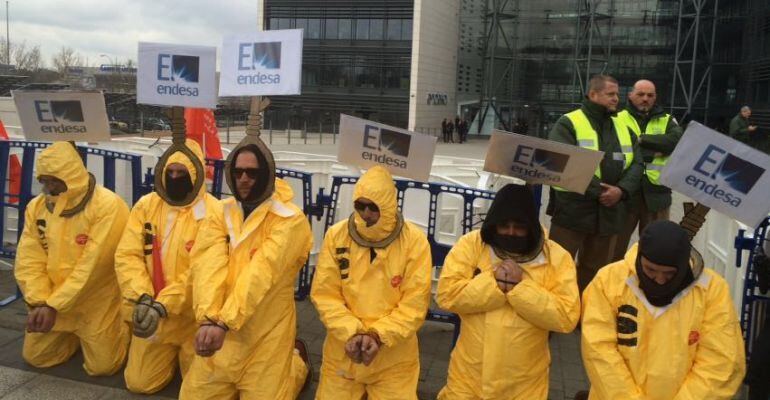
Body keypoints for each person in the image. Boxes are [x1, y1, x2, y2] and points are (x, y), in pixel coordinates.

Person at [179, 139, 312, 399]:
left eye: (252, 173)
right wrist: (209, 318)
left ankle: (296, 364)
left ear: (267, 175)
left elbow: (263, 272)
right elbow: (207, 266)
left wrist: (223, 322)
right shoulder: (220, 211)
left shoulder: (291, 219)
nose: (244, 179)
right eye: (238, 172)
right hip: (221, 330)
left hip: (266, 336)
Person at [436, 184, 580, 399]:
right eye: (504, 226)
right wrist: (493, 283)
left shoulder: (557, 257)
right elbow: (447, 296)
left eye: (519, 227)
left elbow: (566, 317)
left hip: (523, 385)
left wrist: (519, 288)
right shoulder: (471, 245)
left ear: (530, 226)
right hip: (468, 378)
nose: (511, 232)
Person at [581, 220, 746, 399]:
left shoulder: (712, 290)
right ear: (639, 257)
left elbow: (721, 362)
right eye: (650, 270)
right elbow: (599, 350)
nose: (659, 280)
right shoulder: (609, 280)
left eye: (670, 274)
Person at [310, 166, 432, 400]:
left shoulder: (415, 243)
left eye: (373, 207)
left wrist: (378, 335)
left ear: (388, 206)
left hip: (394, 360)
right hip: (344, 351)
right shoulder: (336, 236)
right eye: (360, 205)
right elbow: (325, 294)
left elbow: (414, 305)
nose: (366, 213)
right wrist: (352, 332)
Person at [14, 141, 130, 375]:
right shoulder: (37, 207)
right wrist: (38, 301)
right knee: (36, 357)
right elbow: (29, 259)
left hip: (96, 302)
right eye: (44, 181)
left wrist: (52, 305)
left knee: (104, 367)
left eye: (54, 180)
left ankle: (119, 326)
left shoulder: (108, 206)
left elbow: (93, 269)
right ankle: (74, 337)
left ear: (72, 175)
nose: (49, 186)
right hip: (52, 301)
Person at [115, 140, 218, 394]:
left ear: (196, 173)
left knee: (200, 393)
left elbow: (202, 273)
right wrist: (143, 297)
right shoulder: (146, 205)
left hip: (193, 320)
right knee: (139, 383)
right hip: (152, 312)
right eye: (169, 172)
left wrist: (165, 305)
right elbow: (127, 255)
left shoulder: (215, 212)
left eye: (181, 173)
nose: (174, 177)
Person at [547, 74, 643, 292]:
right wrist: (601, 192)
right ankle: (555, 318)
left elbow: (637, 164)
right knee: (558, 268)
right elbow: (562, 160)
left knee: (596, 271)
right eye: (610, 94)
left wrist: (621, 190)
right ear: (593, 94)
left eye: (617, 94)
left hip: (609, 214)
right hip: (572, 211)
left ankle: (585, 318)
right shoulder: (569, 123)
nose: (616, 99)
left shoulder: (623, 127)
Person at [613, 80, 683, 261]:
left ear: (655, 97)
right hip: (625, 193)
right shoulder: (617, 118)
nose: (645, 99)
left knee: (656, 250)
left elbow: (677, 143)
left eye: (650, 95)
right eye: (641, 94)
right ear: (630, 95)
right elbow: (615, 148)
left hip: (657, 195)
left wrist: (641, 140)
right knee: (614, 248)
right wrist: (658, 148)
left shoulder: (668, 120)